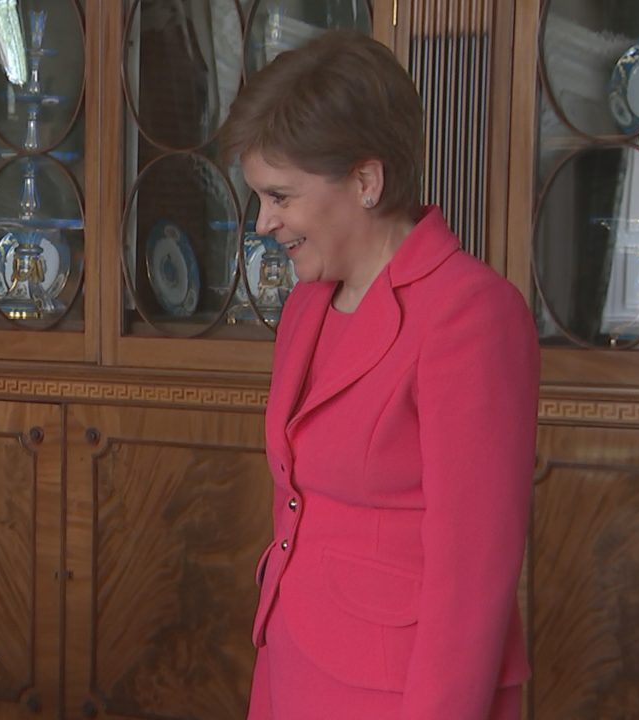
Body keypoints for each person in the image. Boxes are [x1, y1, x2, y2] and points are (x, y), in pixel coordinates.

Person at [220, 31, 539, 719]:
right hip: (295, 662)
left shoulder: (472, 314)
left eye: (280, 196)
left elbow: (473, 575)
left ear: (366, 181)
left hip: (402, 690)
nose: (264, 222)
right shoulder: (308, 304)